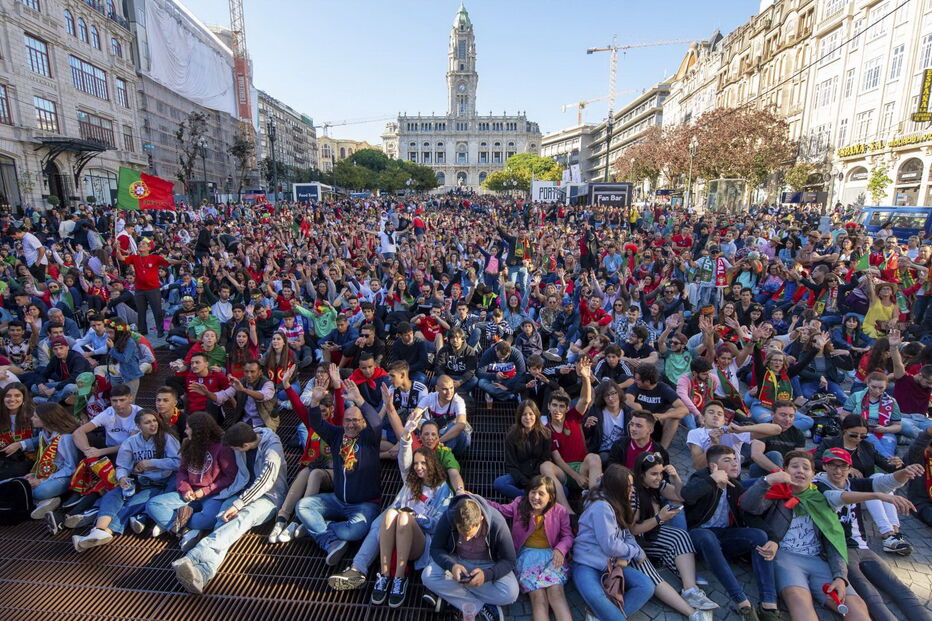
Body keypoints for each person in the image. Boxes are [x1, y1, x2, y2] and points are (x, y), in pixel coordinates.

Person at [739, 450, 871, 620]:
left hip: (818, 560)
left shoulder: (820, 499)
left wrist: (840, 577)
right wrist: (767, 481)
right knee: (799, 601)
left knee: (856, 606)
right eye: (794, 466)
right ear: (785, 470)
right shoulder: (776, 493)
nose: (800, 471)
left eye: (806, 468)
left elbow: (834, 541)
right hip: (786, 558)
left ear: (813, 474)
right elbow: (748, 506)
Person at [327, 443, 452, 609]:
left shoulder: (443, 489)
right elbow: (396, 504)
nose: (419, 467)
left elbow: (437, 526)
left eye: (423, 463)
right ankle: (384, 575)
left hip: (419, 539)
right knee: (390, 513)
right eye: (416, 464)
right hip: (396, 532)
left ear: (432, 463)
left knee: (404, 517)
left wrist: (416, 517)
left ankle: (399, 578)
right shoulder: (411, 482)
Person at [813, 448, 930, 621]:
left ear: (849, 467)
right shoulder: (818, 485)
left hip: (863, 547)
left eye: (843, 466)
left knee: (901, 590)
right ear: (824, 466)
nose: (838, 471)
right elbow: (837, 497)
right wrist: (880, 496)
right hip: (841, 550)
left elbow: (886, 482)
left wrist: (904, 473)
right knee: (872, 597)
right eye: (832, 466)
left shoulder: (852, 483)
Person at [172, 422, 287, 594]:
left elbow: (265, 481)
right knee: (223, 521)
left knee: (242, 518)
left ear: (246, 446)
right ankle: (202, 574)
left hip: (269, 497)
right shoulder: (245, 434)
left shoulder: (272, 450)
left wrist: (238, 504)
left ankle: (193, 556)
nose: (233, 452)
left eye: (235, 449)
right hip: (241, 491)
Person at [293, 371, 383, 567]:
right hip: (337, 500)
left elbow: (377, 423)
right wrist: (315, 402)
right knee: (303, 506)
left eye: (355, 421)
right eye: (348, 421)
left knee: (354, 532)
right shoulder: (336, 435)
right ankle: (330, 541)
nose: (351, 425)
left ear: (362, 422)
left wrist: (360, 400)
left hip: (365, 504)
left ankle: (315, 530)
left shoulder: (369, 438)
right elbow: (315, 422)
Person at [681, 445, 780, 621]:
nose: (735, 464)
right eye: (727, 460)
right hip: (698, 536)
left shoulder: (735, 486)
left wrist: (773, 539)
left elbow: (748, 516)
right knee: (707, 536)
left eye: (735, 459)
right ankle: (742, 603)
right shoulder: (701, 477)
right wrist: (712, 480)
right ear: (713, 466)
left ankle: (768, 605)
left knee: (760, 537)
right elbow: (687, 495)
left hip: (724, 536)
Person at [71, 409, 180, 551]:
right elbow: (122, 465)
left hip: (158, 484)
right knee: (112, 495)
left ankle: (105, 532)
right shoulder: (131, 442)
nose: (153, 425)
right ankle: (99, 530)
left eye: (154, 421)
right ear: (138, 426)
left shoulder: (166, 438)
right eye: (147, 422)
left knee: (131, 505)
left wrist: (152, 463)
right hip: (138, 481)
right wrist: (122, 477)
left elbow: (178, 462)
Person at [630, 452, 719, 614]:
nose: (659, 477)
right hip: (633, 543)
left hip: (650, 534)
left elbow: (681, 496)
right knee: (652, 571)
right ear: (641, 474)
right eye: (654, 474)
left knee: (681, 536)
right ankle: (690, 610)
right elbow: (632, 529)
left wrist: (676, 477)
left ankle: (690, 590)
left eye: (660, 473)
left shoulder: (657, 485)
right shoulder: (633, 492)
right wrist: (659, 518)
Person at [420, 493, 520, 621]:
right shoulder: (449, 517)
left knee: (510, 593)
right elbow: (436, 548)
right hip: (458, 561)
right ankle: (481, 607)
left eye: (471, 534)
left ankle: (451, 597)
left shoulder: (497, 522)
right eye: (462, 533)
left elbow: (509, 560)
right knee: (427, 576)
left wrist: (486, 575)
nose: (466, 538)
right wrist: (452, 566)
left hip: (488, 564)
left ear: (481, 519)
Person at [142, 412, 238, 544]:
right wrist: (185, 489)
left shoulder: (222, 448)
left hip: (212, 495)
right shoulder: (188, 444)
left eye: (188, 427)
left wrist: (205, 491)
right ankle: (184, 531)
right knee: (153, 504)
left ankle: (173, 522)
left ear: (198, 431)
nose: (185, 430)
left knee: (209, 520)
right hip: (189, 494)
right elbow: (182, 471)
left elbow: (230, 477)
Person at [487, 475, 574, 621]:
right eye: (533, 492)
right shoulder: (520, 504)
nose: (535, 497)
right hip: (527, 557)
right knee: (538, 597)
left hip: (551, 555)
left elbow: (568, 536)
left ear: (551, 497)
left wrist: (560, 549)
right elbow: (501, 509)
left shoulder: (560, 511)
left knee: (556, 593)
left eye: (541, 493)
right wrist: (479, 500)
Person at [0, 402, 79, 519]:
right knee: (5, 484)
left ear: (47, 419)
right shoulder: (43, 434)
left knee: (40, 491)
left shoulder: (65, 438)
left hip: (63, 477)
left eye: (35, 416)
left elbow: (71, 468)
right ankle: (45, 502)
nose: (32, 418)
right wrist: (36, 474)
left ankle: (45, 501)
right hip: (45, 473)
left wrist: (42, 480)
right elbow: (44, 460)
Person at [624, 363, 689, 449]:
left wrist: (663, 416)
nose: (635, 381)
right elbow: (627, 399)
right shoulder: (636, 386)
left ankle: (662, 450)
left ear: (647, 381)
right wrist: (639, 408)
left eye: (638, 379)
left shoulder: (663, 388)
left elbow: (684, 409)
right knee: (633, 408)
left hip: (657, 425)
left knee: (673, 416)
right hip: (640, 423)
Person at [0, 382, 35, 479]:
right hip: (3, 456)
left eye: (17, 395)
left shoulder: (34, 415)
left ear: (24, 398)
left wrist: (21, 444)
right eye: (8, 396)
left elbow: (42, 438)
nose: (12, 399)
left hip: (27, 458)